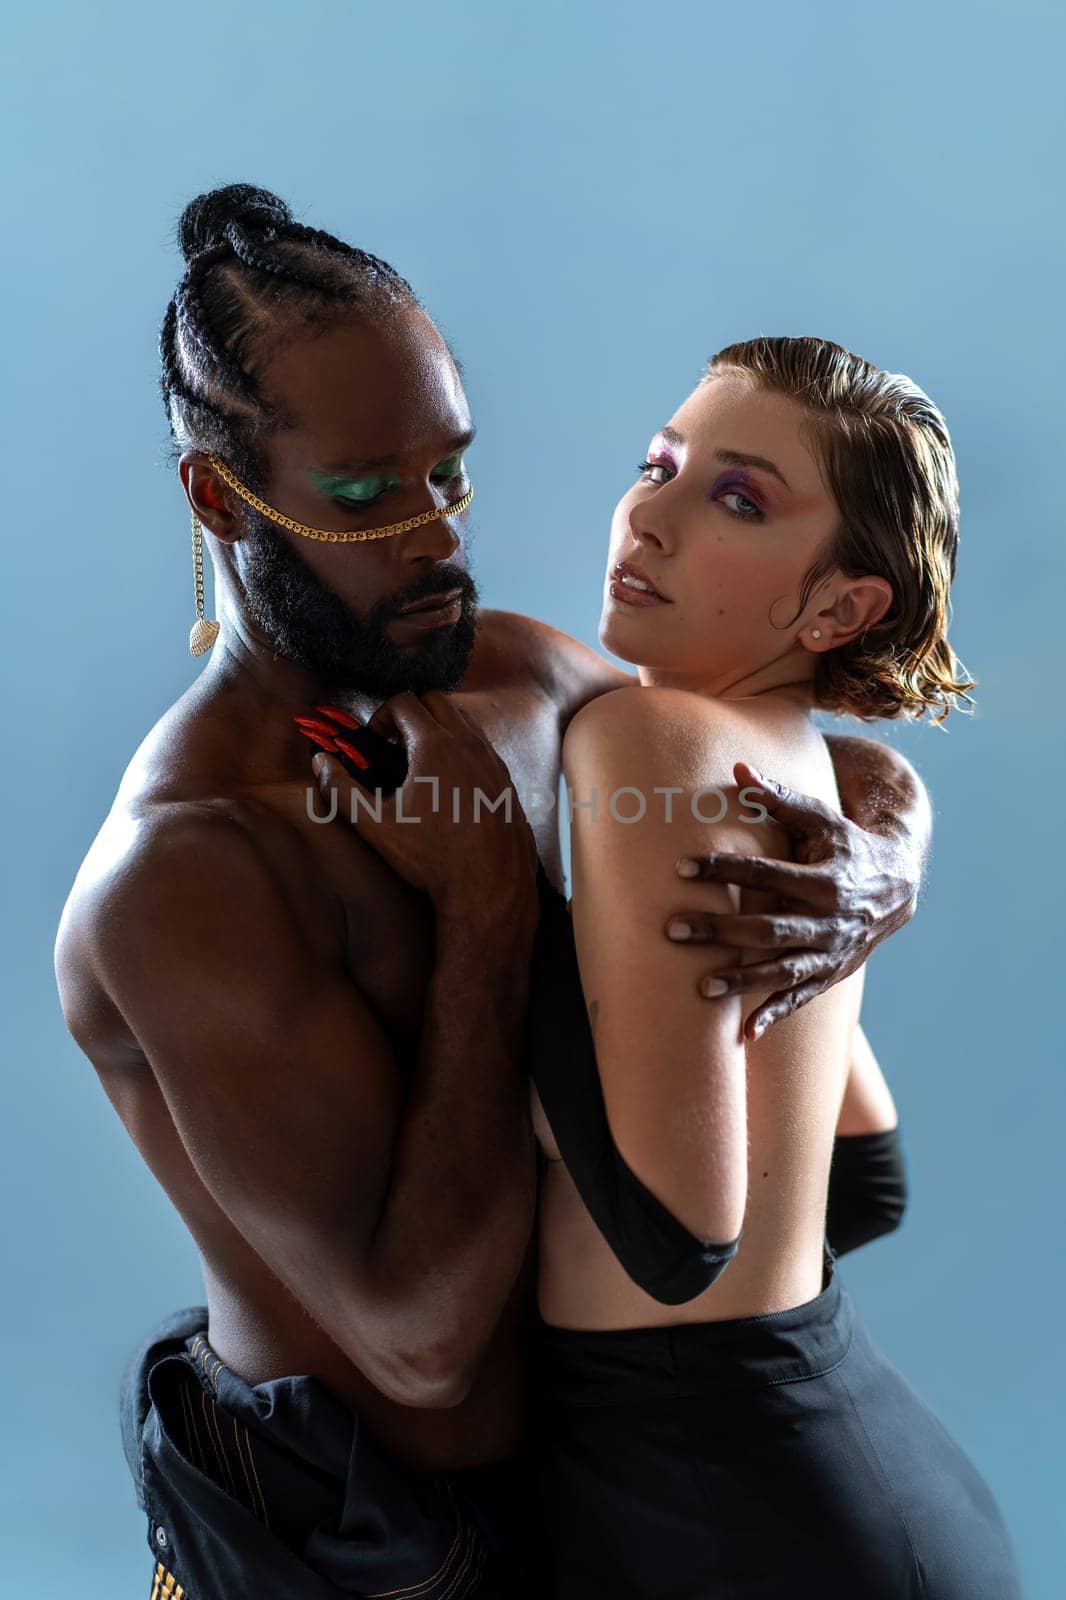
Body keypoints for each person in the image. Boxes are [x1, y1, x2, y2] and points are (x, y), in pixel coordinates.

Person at [54, 187, 928, 1599]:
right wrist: (485, 914)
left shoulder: (513, 677)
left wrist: (881, 866)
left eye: (447, 471)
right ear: (221, 496)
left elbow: (808, 753)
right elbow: (422, 1348)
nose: (436, 532)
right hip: (367, 1550)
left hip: (614, 1499)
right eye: (364, 494)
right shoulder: (185, 872)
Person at [515, 335, 1024, 1597]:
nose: (650, 513)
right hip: (853, 1473)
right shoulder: (792, 768)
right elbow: (870, 1181)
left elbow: (680, 1233)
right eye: (659, 463)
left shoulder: (649, 737)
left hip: (720, 1509)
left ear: (841, 606)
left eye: (736, 498)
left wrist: (496, 919)